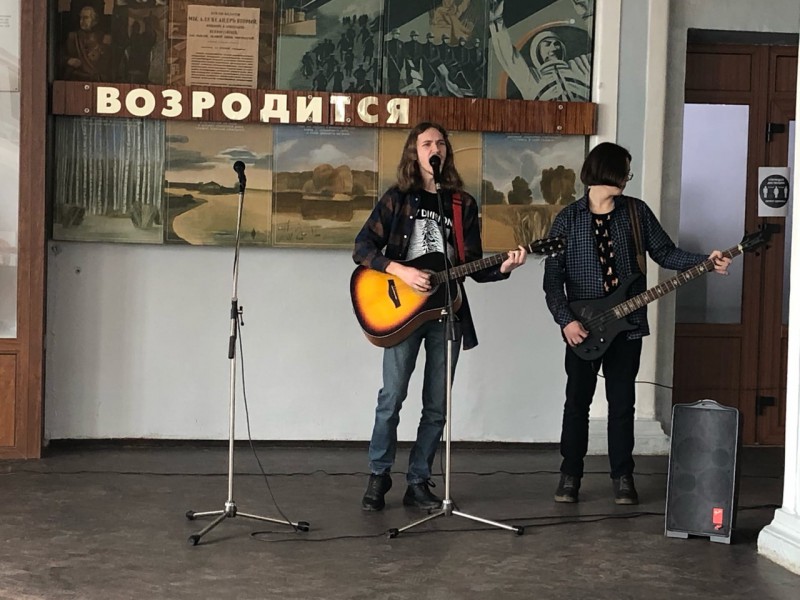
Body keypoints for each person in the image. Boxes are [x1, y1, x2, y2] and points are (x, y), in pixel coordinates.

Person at [543, 142, 731, 505]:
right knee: (577, 403)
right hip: (582, 328)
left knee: (622, 403)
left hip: (627, 327)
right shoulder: (568, 219)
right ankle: (570, 475)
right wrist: (566, 322)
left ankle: (623, 477)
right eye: (625, 171)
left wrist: (706, 261)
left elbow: (666, 253)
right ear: (608, 172)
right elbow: (553, 281)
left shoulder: (636, 212)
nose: (628, 177)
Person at [353, 122, 527, 511]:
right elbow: (362, 247)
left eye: (441, 143)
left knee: (436, 404)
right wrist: (401, 271)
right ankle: (379, 475)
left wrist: (504, 267)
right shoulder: (398, 198)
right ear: (414, 153)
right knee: (392, 396)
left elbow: (472, 266)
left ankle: (418, 481)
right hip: (402, 312)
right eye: (427, 143)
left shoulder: (462, 205)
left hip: (447, 312)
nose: (436, 148)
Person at [487, 0, 591, 101]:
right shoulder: (531, 79)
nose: (554, 47)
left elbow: (600, 53)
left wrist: (588, 14)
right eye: (547, 44)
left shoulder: (580, 65)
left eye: (557, 44)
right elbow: (509, 58)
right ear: (538, 52)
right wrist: (496, 21)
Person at [63, 5, 113, 82]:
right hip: (78, 77)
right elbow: (62, 56)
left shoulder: (103, 37)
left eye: (86, 18)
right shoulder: (73, 36)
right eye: (81, 18)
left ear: (95, 20)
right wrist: (69, 60)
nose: (81, 21)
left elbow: (108, 62)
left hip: (97, 79)